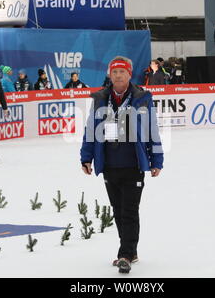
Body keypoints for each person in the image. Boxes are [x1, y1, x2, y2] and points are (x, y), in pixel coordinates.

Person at [80, 56, 164, 274]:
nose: (118, 76)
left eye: (122, 72)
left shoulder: (142, 98)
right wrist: (86, 157)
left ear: (130, 74)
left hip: (133, 164)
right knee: (118, 212)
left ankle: (125, 254)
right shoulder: (100, 98)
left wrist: (157, 160)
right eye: (115, 72)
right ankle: (131, 251)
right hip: (109, 165)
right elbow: (91, 129)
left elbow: (152, 129)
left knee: (129, 211)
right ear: (110, 74)